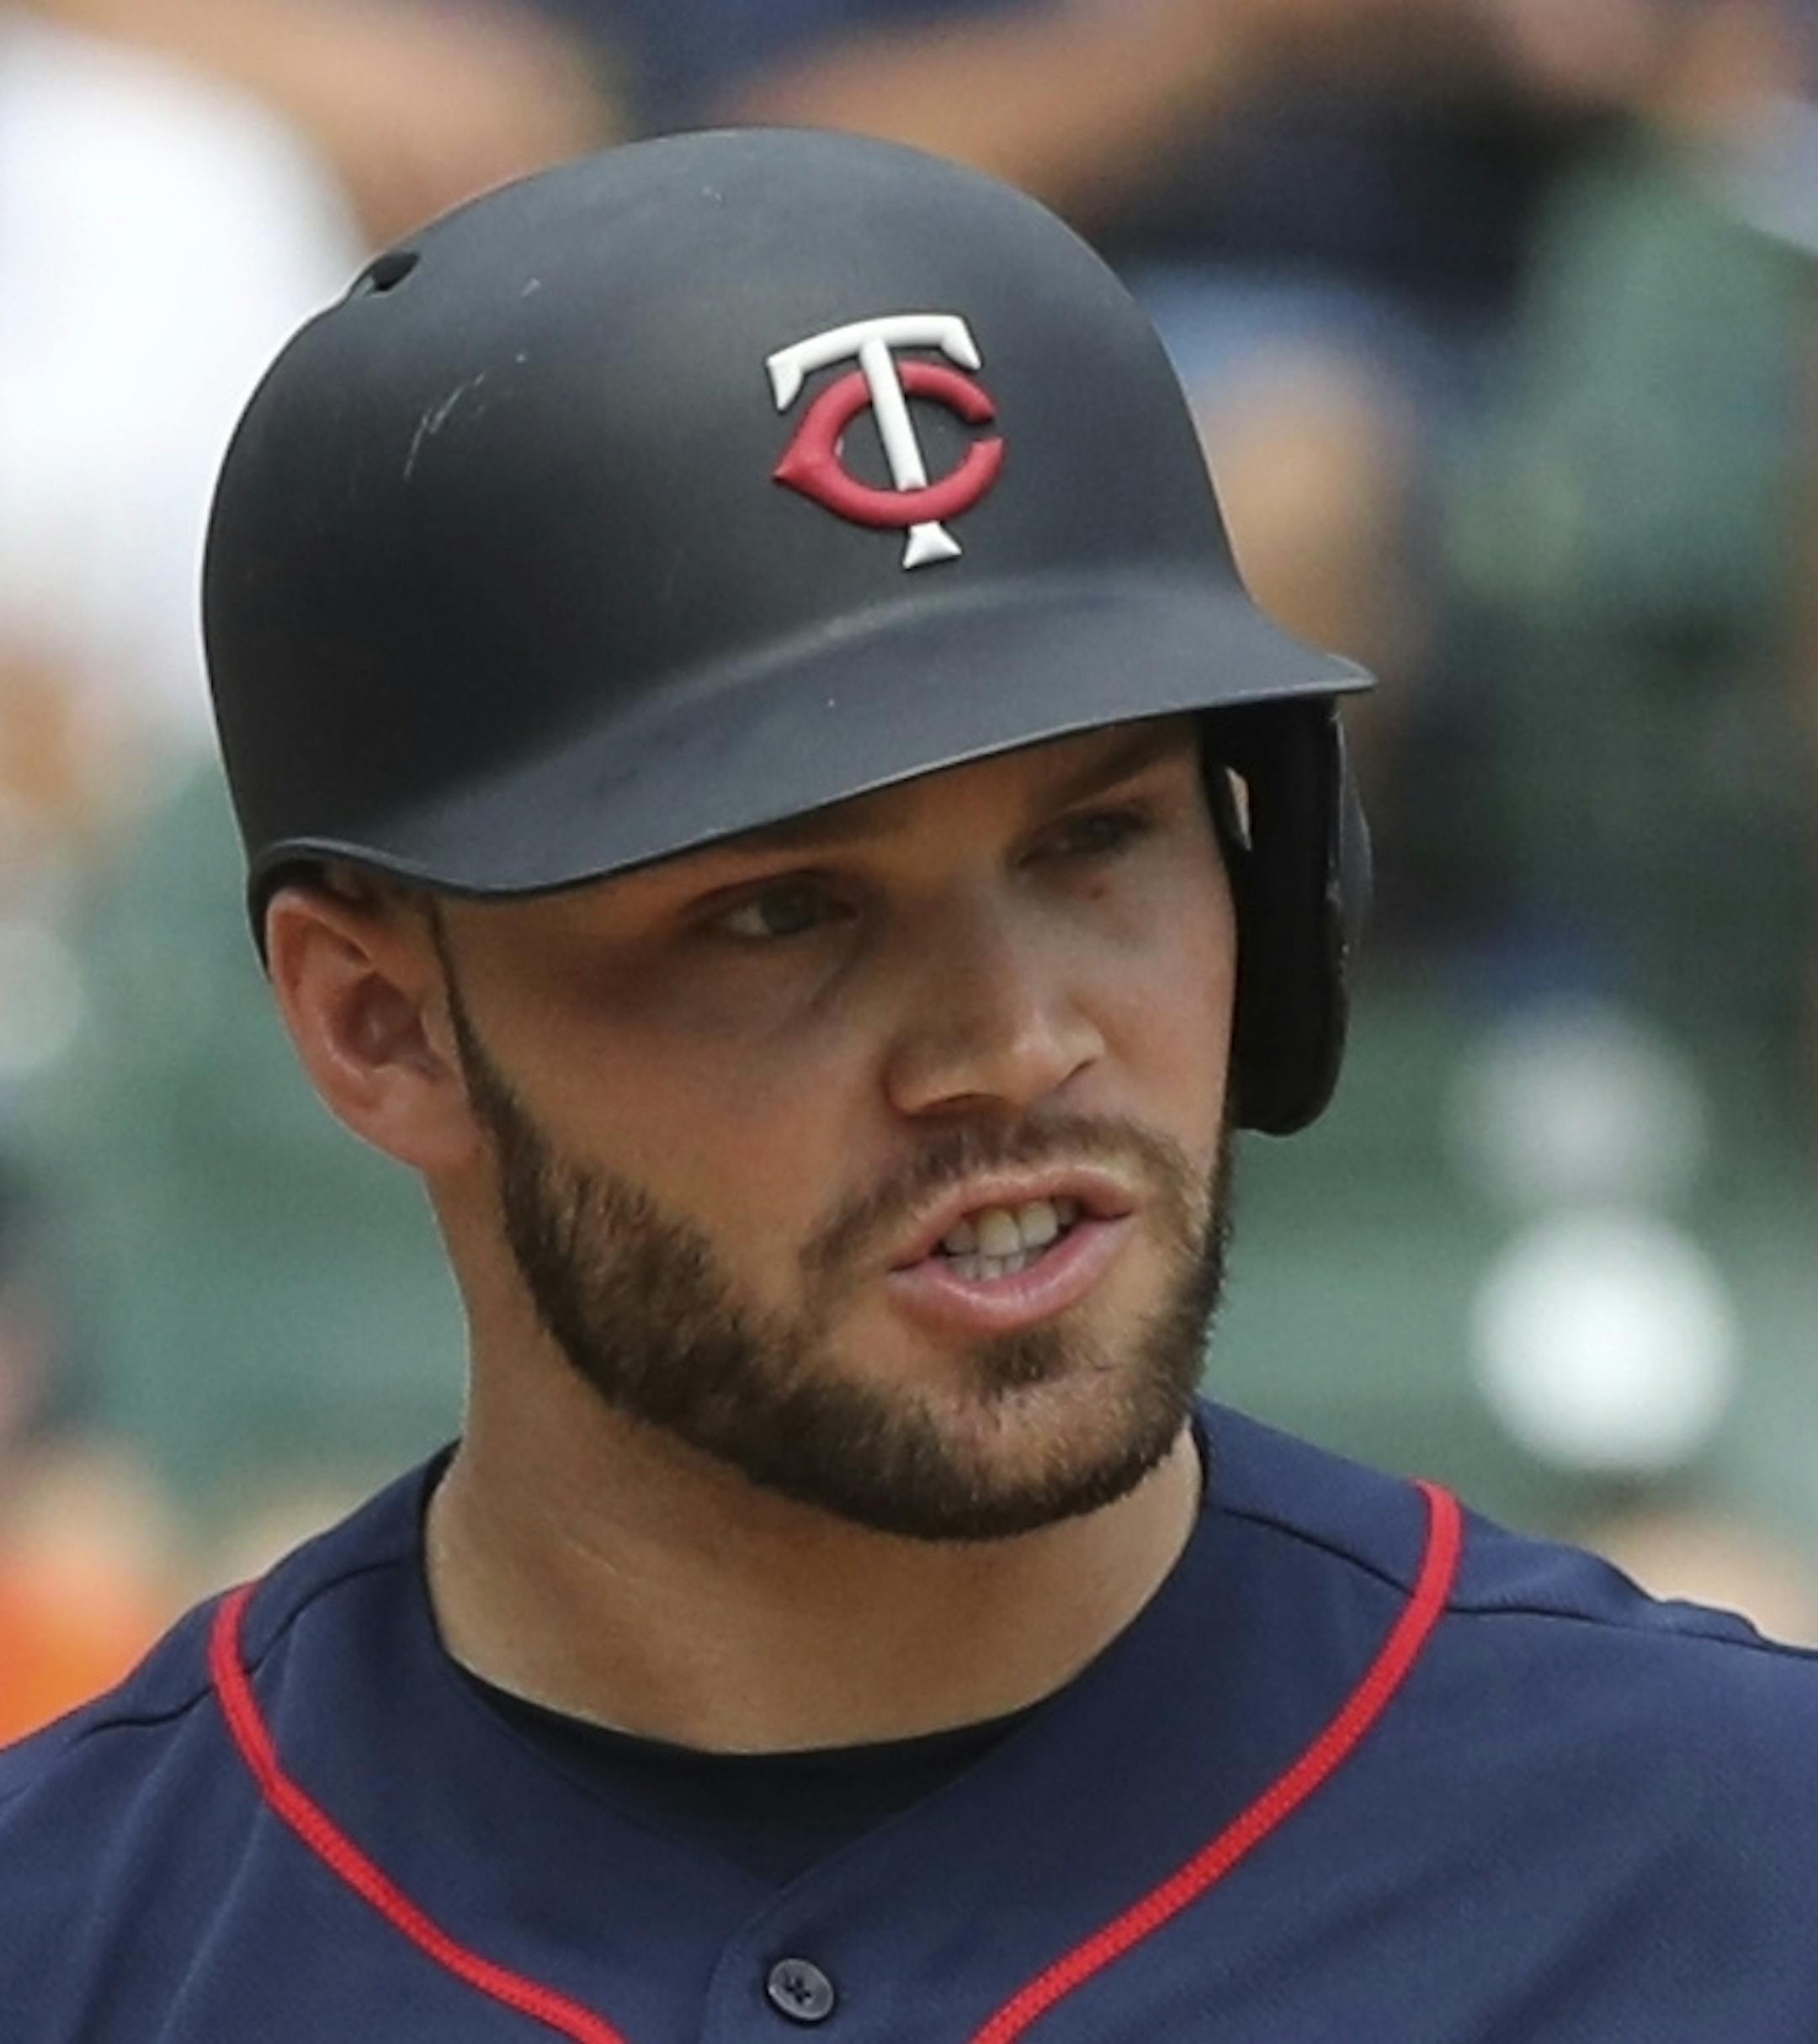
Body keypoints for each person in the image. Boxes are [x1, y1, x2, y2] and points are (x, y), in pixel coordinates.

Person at [2, 129, 1815, 2041]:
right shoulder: (73, 1950)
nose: (1020, 1042)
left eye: (1096, 838)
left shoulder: (1735, 1872)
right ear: (382, 1024)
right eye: (785, 911)